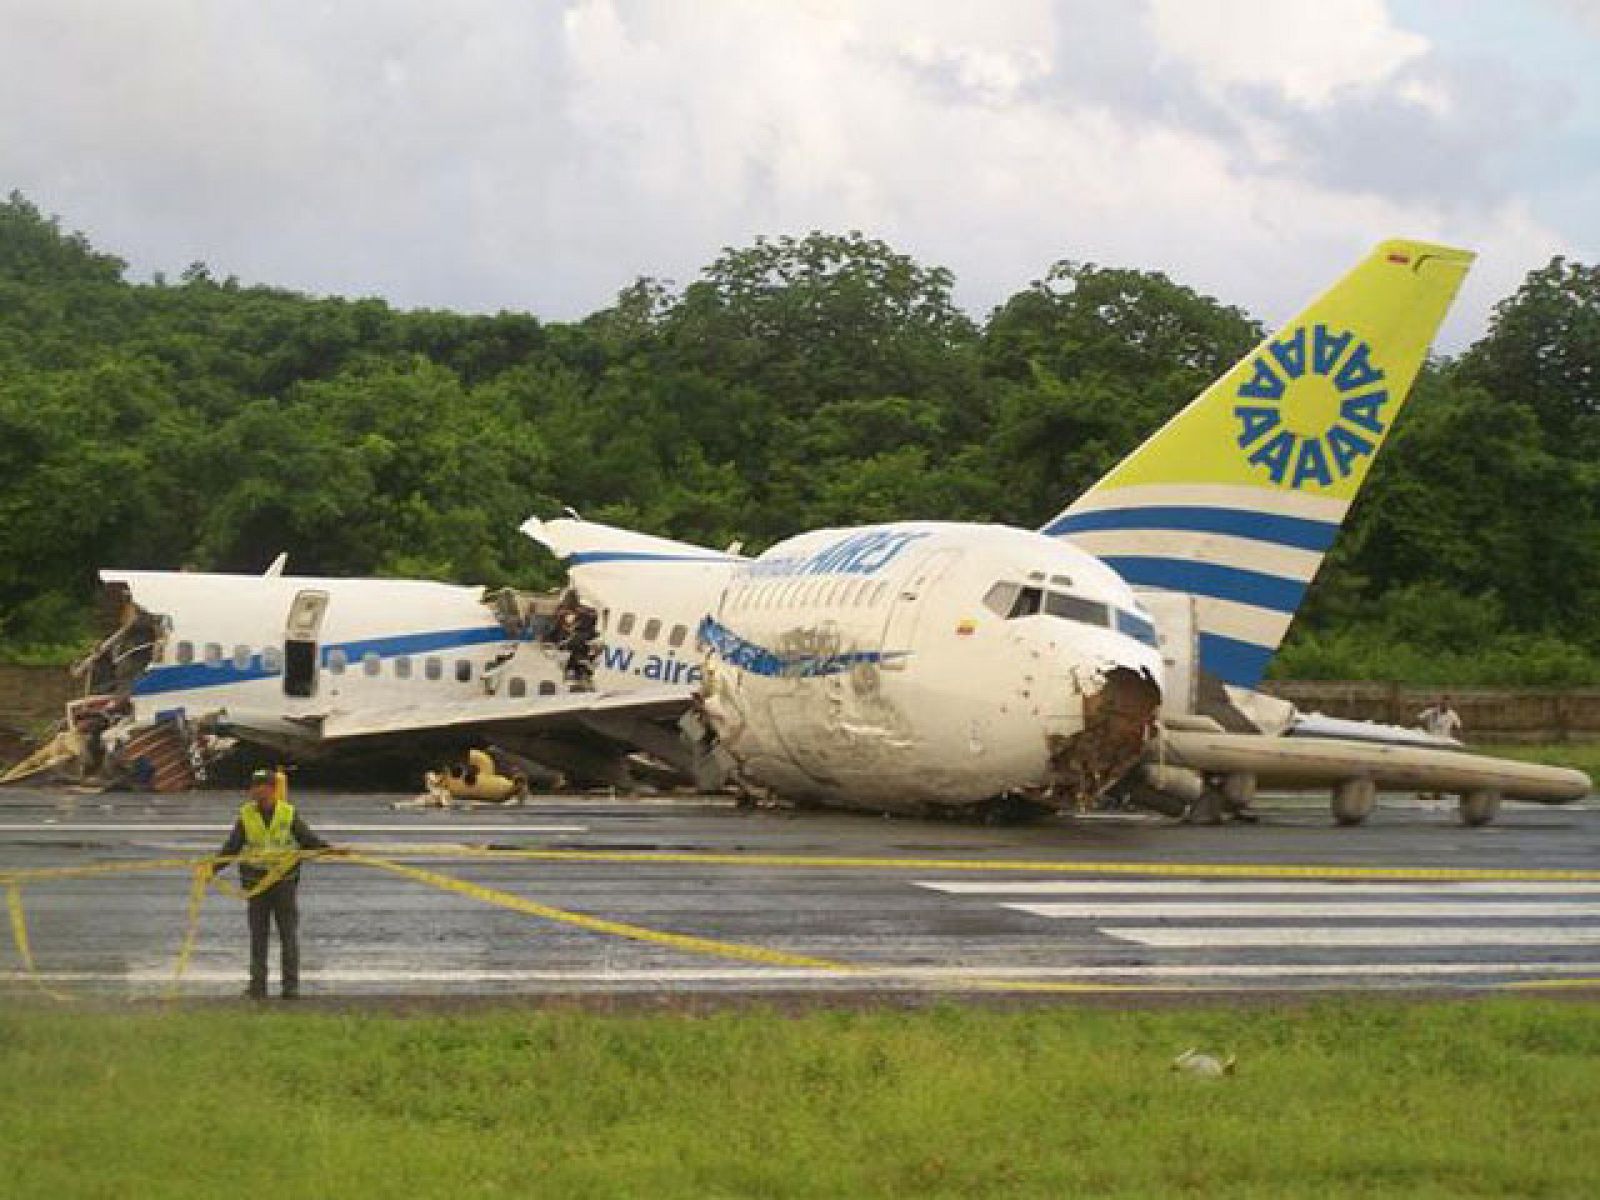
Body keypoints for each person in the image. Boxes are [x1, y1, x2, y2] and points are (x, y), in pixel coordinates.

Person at [212, 769, 339, 1000]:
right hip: (256, 884)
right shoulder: (246, 815)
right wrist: (212, 868)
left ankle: (290, 987)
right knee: (258, 937)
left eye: (259, 785)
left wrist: (331, 849)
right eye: (253, 786)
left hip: (284, 883)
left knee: (287, 935)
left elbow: (307, 840)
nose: (254, 790)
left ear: (271, 789)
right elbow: (232, 847)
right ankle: (257, 986)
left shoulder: (287, 814)